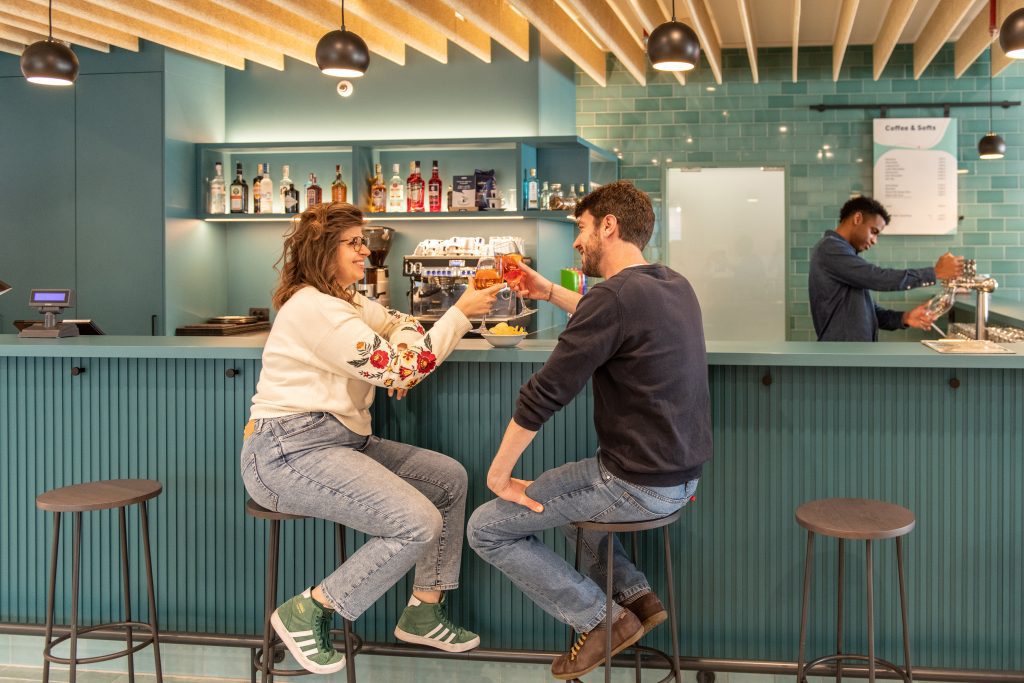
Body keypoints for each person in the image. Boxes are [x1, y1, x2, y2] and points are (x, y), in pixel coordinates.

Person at [240, 202, 502, 675]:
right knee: (417, 520)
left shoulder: (349, 301)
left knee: (448, 480)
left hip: (342, 441)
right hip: (286, 451)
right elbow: (405, 368)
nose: (366, 252)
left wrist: (398, 357)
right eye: (355, 243)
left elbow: (401, 324)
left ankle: (423, 609)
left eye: (364, 241)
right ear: (324, 250)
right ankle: (312, 607)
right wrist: (459, 313)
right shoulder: (314, 309)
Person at [466, 180, 713, 680]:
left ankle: (603, 620)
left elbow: (543, 394)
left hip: (633, 484)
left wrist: (498, 475)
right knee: (572, 500)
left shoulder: (615, 297)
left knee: (486, 529)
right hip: (681, 481)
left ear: (608, 225)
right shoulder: (671, 283)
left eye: (580, 228)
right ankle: (637, 598)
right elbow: (611, 319)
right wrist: (548, 290)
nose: (576, 242)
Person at [809, 195, 965, 341]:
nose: (874, 241)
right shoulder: (830, 248)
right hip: (841, 358)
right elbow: (877, 278)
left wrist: (905, 318)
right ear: (857, 218)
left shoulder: (844, 255)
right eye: (874, 232)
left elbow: (870, 313)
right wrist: (934, 273)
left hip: (851, 356)